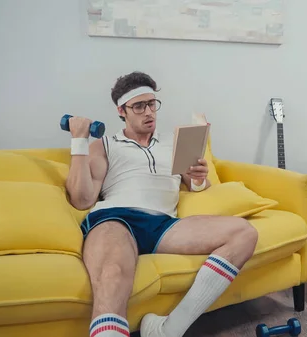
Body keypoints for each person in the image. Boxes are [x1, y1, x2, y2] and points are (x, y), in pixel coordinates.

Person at [65, 71, 259, 337]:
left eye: (152, 104)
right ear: (121, 111)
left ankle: (168, 329)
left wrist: (199, 179)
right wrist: (79, 140)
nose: (149, 112)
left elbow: (195, 185)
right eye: (139, 106)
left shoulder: (174, 142)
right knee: (113, 274)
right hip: (115, 219)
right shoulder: (106, 145)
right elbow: (82, 199)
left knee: (244, 233)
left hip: (163, 225)